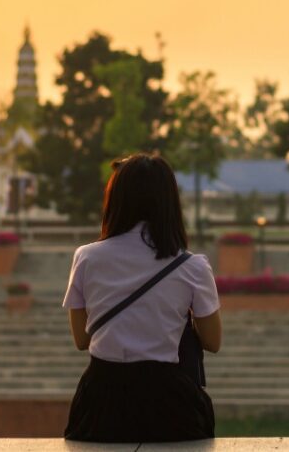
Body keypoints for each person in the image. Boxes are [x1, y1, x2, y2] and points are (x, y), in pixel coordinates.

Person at [63, 153, 222, 443]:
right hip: (170, 403)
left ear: (116, 199)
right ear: (169, 201)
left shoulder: (86, 258)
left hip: (101, 401)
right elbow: (213, 342)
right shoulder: (193, 266)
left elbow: (81, 339)